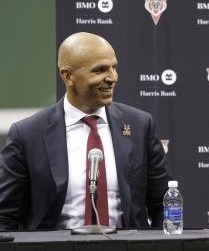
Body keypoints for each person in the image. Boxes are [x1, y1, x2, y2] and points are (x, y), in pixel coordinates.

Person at [0, 32, 172, 230]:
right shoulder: (27, 135)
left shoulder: (140, 125)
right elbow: (5, 218)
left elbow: (163, 205)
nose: (113, 78)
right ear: (68, 76)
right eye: (100, 70)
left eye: (114, 67)